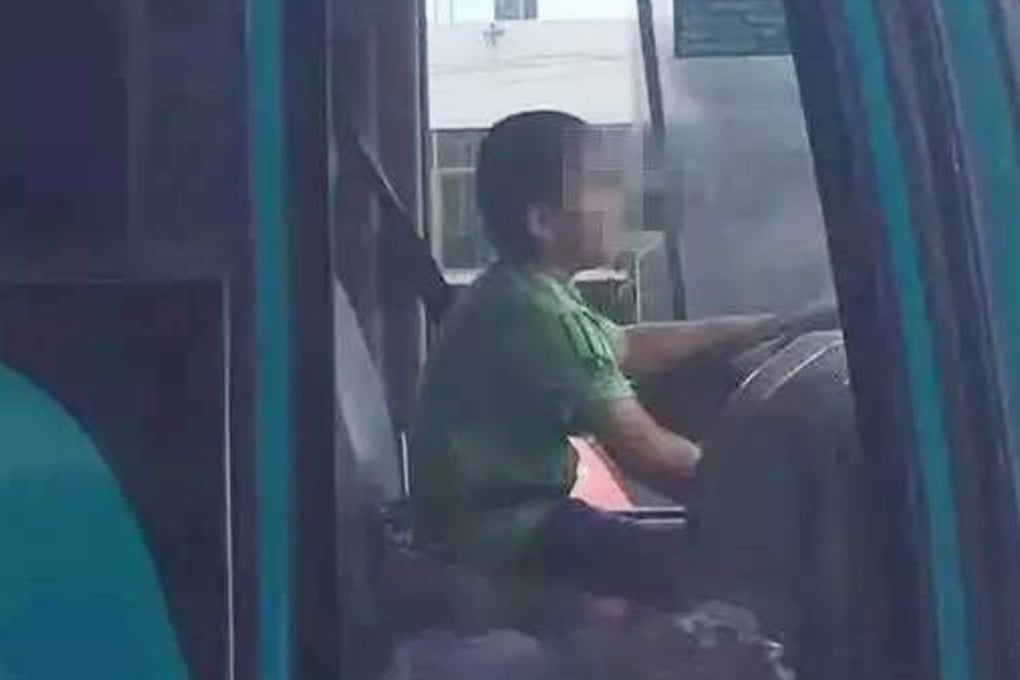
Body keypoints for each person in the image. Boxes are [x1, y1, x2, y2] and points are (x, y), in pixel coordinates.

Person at [409, 110, 805, 611]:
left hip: (491, 527)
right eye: (600, 185)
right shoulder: (542, 318)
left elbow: (631, 347)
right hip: (505, 542)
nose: (621, 200)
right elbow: (653, 458)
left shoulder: (521, 292)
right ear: (542, 221)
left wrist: (764, 329)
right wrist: (769, 494)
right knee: (713, 583)